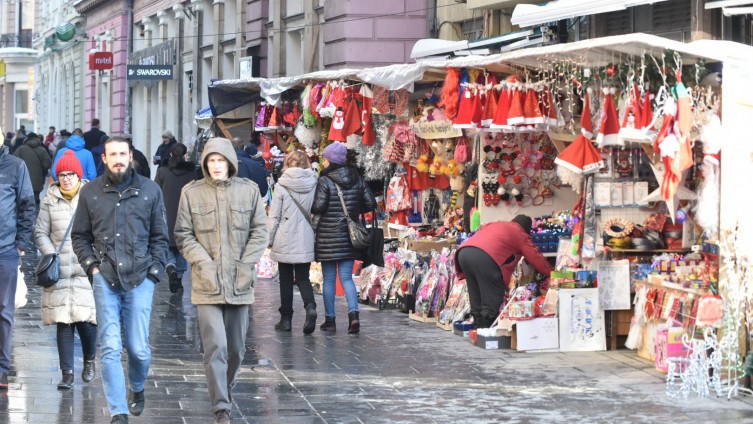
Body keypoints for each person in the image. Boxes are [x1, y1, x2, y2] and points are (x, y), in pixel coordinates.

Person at [71, 136, 169, 424]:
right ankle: (118, 411)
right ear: (104, 158)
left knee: (139, 348)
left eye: (122, 154)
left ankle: (136, 388)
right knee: (111, 347)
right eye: (112, 154)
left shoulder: (150, 190)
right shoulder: (90, 192)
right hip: (105, 277)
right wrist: (92, 268)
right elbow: (80, 236)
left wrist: (154, 273)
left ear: (131, 156)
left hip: (141, 278)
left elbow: (161, 237)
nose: (118, 159)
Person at [174, 137, 268, 424]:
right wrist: (202, 261)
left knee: (237, 349)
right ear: (205, 163)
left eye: (220, 160)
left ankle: (224, 390)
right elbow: (183, 234)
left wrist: (246, 263)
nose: (216, 165)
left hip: (240, 282)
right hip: (207, 283)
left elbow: (260, 231)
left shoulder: (249, 191)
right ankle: (221, 408)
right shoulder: (191, 192)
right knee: (216, 345)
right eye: (211, 160)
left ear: (230, 162)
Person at [34, 151, 97, 390]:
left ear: (78, 175)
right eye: (61, 174)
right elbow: (40, 232)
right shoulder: (49, 199)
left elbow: (100, 231)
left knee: (87, 322)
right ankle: (67, 374)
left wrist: (93, 259)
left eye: (71, 174)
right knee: (64, 323)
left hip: (85, 269)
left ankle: (90, 361)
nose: (66, 178)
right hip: (59, 271)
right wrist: (52, 254)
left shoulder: (91, 197)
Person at [311, 141, 376, 334]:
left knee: (329, 279)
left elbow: (318, 207)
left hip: (327, 236)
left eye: (325, 158)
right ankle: (353, 316)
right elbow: (370, 203)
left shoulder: (325, 180)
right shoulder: (357, 177)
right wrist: (354, 209)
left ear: (330, 160)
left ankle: (330, 321)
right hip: (349, 236)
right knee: (346, 277)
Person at [455, 215, 553, 328]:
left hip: (464, 253)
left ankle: (477, 328)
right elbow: (535, 257)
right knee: (491, 295)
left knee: (475, 292)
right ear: (526, 229)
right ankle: (485, 330)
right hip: (485, 258)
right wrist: (552, 273)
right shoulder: (519, 233)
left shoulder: (495, 224)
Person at [268, 150, 318, 334]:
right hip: (305, 235)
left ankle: (286, 319)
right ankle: (310, 306)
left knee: (286, 280)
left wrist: (269, 239)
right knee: (303, 277)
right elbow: (316, 211)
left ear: (287, 163)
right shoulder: (314, 182)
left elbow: (274, 216)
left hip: (285, 236)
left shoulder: (281, 185)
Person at [0, 143, 36, 390]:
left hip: (5, 251)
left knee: (4, 312)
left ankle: (1, 369)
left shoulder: (15, 166)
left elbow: (27, 205)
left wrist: (20, 244)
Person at [154, 143, 196, 293]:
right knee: (182, 248)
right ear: (185, 156)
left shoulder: (163, 172)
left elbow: (155, 192)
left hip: (166, 215)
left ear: (170, 154)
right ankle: (178, 277)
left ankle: (170, 266)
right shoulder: (191, 173)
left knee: (167, 245)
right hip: (185, 215)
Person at [13, 132, 52, 208]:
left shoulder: (21, 149)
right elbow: (47, 164)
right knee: (34, 200)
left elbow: (13, 162)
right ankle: (33, 216)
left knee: (22, 199)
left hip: (22, 179)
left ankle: (23, 215)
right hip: (37, 181)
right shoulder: (42, 150)